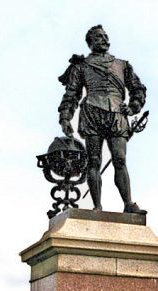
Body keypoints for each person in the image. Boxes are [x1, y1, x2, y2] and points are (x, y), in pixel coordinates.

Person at [58, 25, 146, 213]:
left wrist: (132, 107)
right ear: (90, 43)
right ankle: (97, 206)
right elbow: (71, 93)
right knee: (94, 161)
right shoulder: (81, 66)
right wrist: (65, 117)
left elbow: (138, 89)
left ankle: (128, 203)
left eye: (105, 36)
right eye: (99, 37)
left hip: (117, 115)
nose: (104, 39)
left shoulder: (122, 65)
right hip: (92, 113)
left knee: (120, 159)